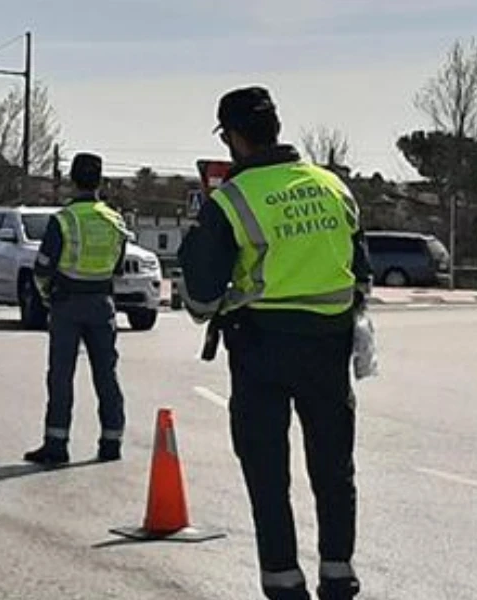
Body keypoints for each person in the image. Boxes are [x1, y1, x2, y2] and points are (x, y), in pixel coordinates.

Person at [178, 86, 372, 600]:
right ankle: (338, 575)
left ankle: (284, 584)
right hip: (329, 345)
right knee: (334, 466)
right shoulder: (333, 186)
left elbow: (199, 292)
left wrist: (210, 305)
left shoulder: (234, 199)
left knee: (267, 471)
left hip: (261, 346)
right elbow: (361, 270)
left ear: (235, 139)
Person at [24, 153, 128, 466]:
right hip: (102, 303)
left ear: (72, 180)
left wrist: (46, 296)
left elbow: (42, 268)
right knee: (106, 374)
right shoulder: (115, 219)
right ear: (100, 181)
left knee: (61, 376)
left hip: (67, 303)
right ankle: (112, 441)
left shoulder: (64, 220)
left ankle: (57, 445)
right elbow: (119, 266)